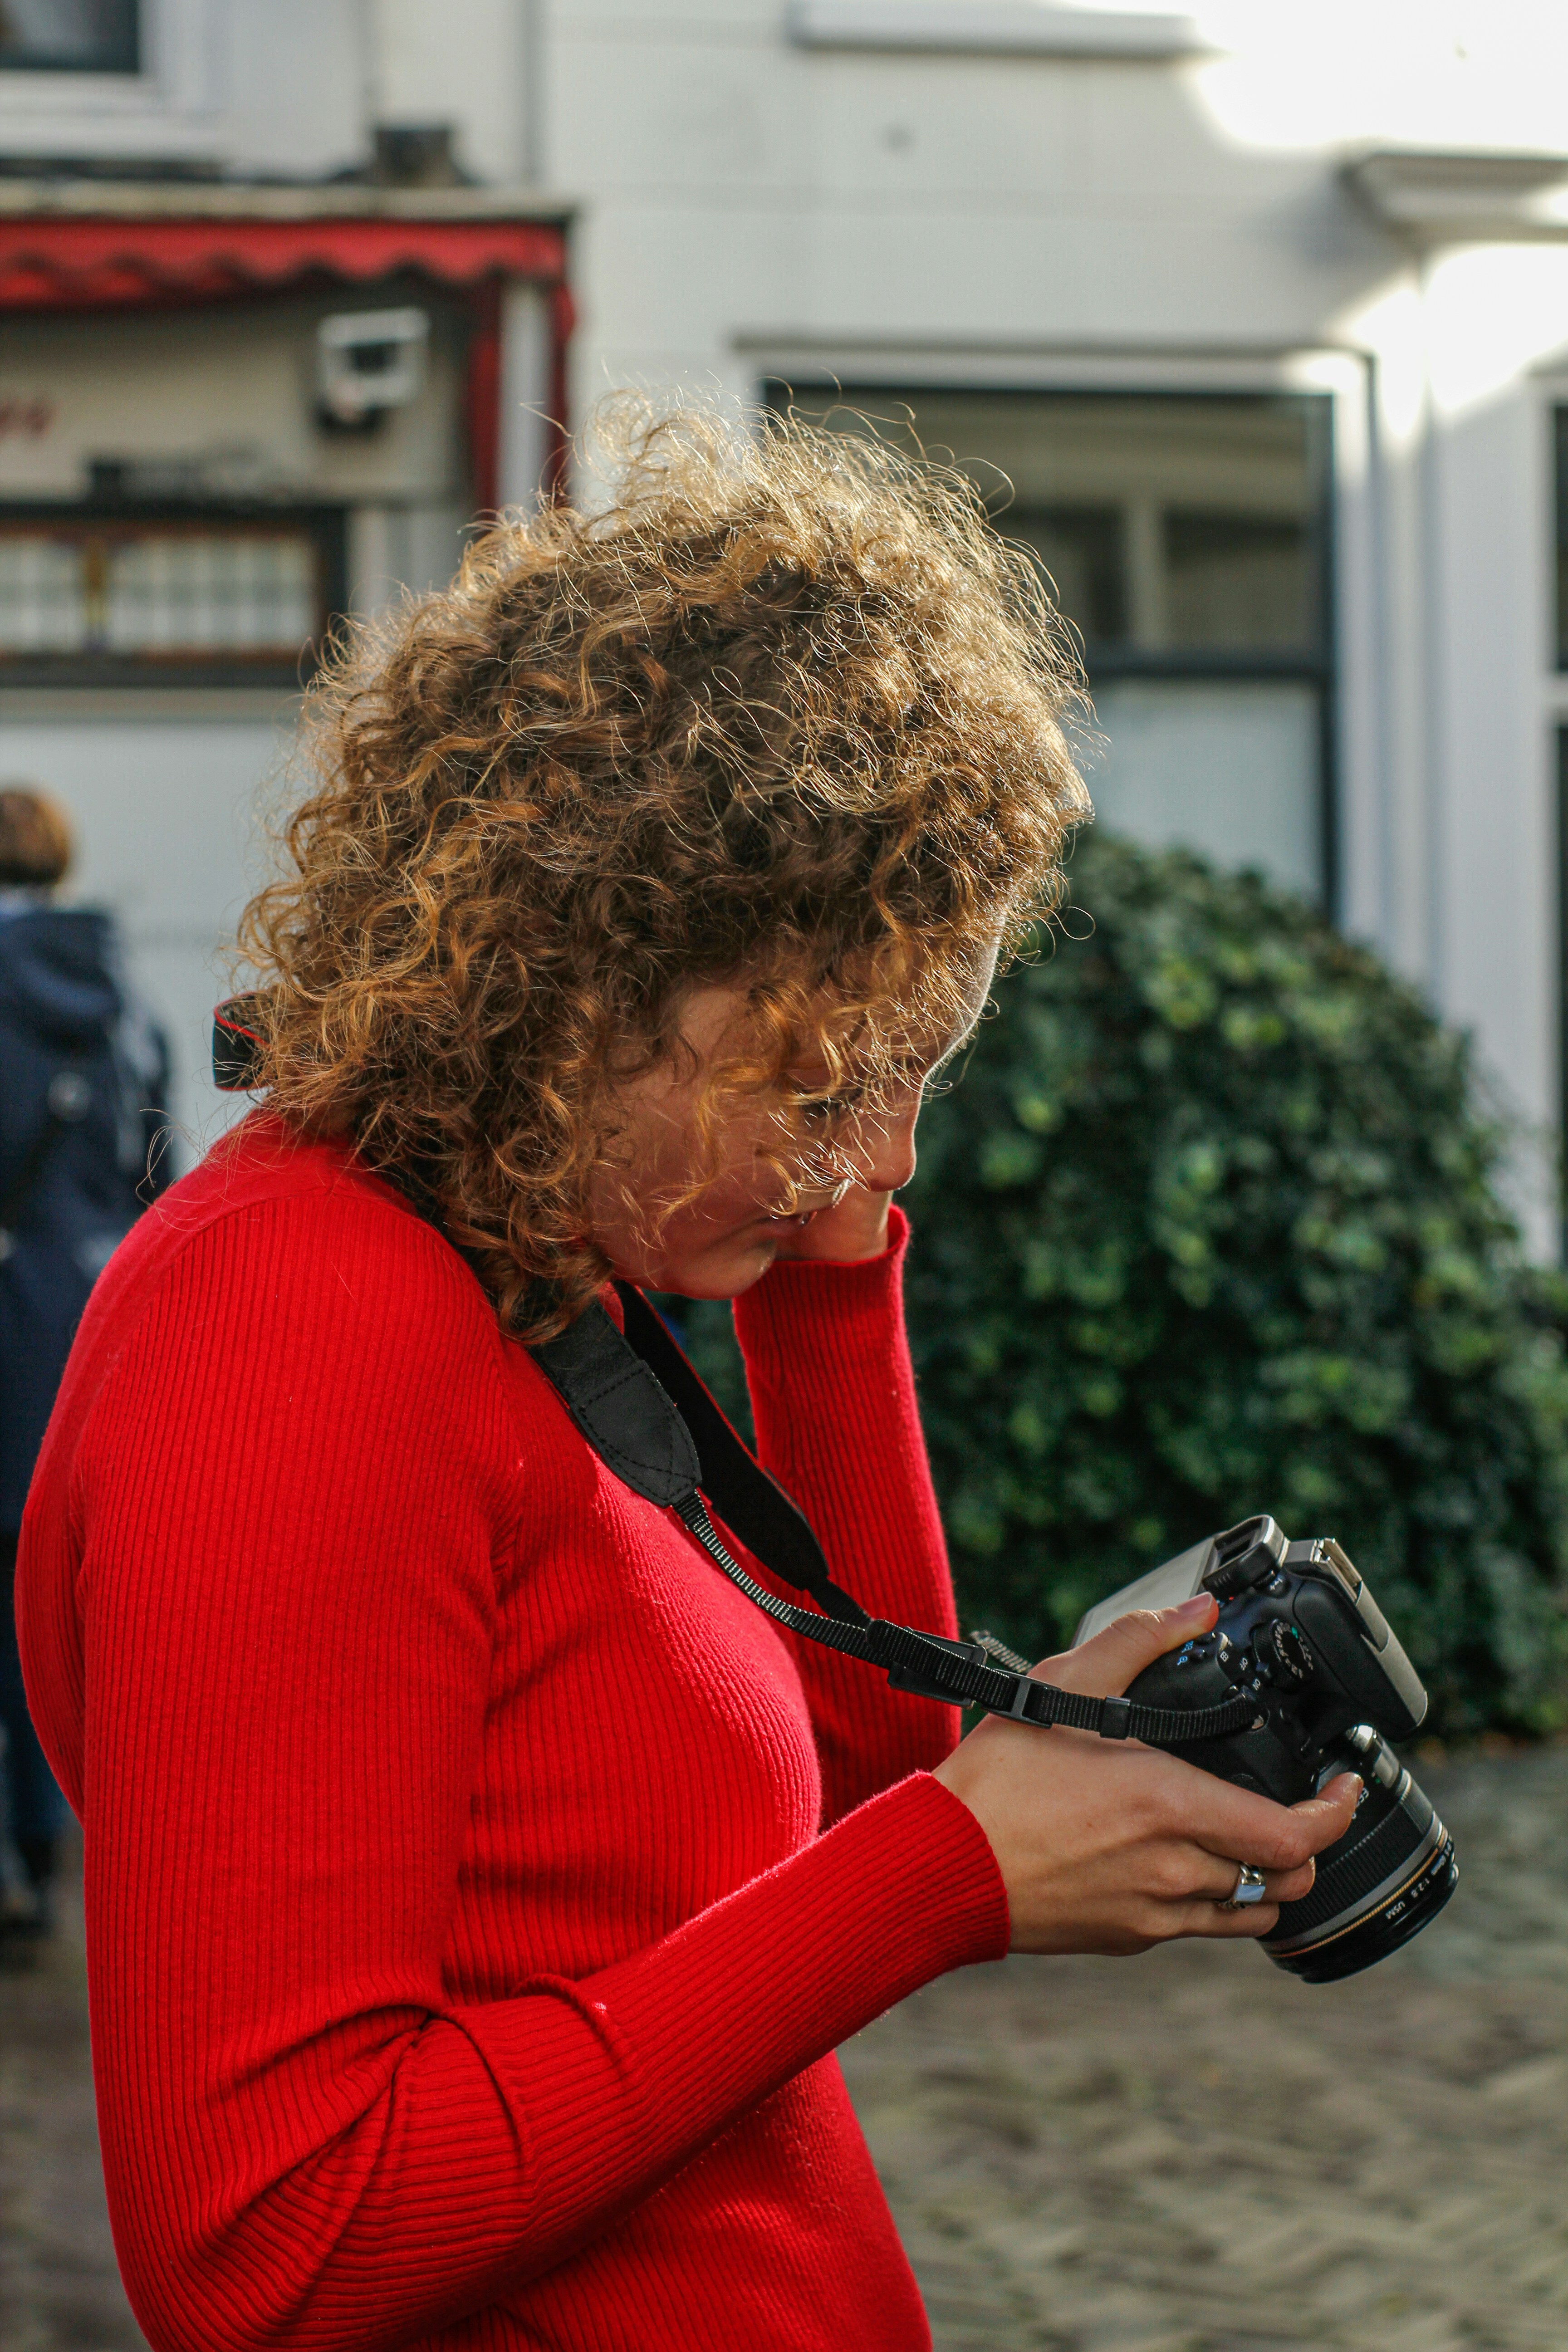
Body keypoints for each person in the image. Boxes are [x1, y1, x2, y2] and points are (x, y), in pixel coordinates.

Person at [15, 406, 1360, 2352]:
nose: (890, 1156)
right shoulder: (297, 1325)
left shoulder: (515, 1252)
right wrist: (947, 1877)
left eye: (920, 1080)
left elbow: (862, 1761)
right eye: (833, 1078)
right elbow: (269, 2244)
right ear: (582, 980)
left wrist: (826, 1280)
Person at [0, 784, 169, 1957]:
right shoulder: (126, 996)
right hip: (96, 1319)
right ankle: (65, 1837)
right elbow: (158, 1165)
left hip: (7, 1310)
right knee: (67, 1580)